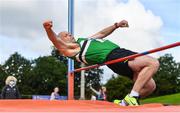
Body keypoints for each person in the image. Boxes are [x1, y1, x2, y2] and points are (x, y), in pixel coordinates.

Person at [43, 20, 159, 106]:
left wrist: (116, 26)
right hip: (113, 56)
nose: (70, 35)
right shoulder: (70, 49)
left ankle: (125, 103)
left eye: (69, 33)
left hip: (120, 52)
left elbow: (102, 33)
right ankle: (132, 96)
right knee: (153, 63)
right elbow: (56, 40)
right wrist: (48, 29)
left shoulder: (84, 41)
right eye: (66, 35)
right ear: (62, 41)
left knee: (150, 86)